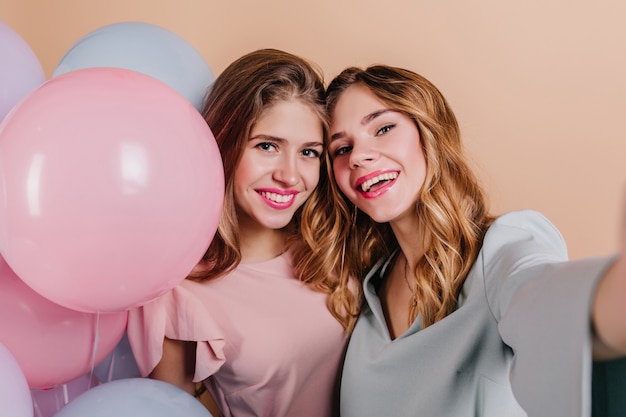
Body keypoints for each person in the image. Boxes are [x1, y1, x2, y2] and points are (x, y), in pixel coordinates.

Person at [324, 64, 626, 417]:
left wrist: (611, 302)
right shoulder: (366, 289)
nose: (359, 156)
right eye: (341, 149)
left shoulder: (500, 251)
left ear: (430, 131)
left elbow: (550, 298)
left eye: (384, 128)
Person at [127, 49, 360, 417]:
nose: (290, 174)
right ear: (225, 143)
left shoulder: (335, 242)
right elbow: (168, 409)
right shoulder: (182, 292)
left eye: (309, 153)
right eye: (267, 146)